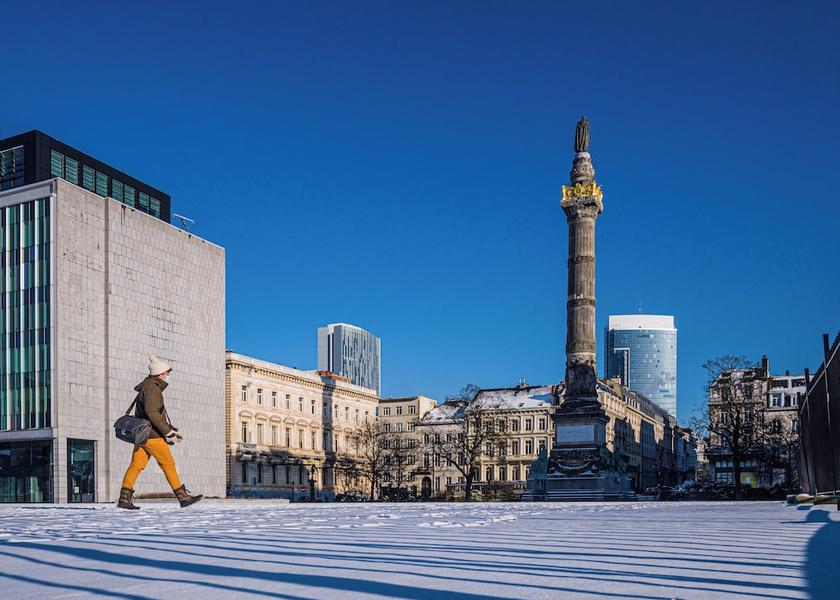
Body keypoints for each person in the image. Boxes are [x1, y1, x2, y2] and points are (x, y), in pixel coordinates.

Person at [117, 356, 202, 510]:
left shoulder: (148, 386)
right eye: (167, 373)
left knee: (136, 465)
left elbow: (153, 414)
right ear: (160, 374)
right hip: (152, 436)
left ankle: (124, 498)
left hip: (142, 435)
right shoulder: (153, 389)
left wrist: (172, 430)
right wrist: (168, 432)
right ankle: (183, 497)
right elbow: (152, 413)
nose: (168, 375)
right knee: (168, 464)